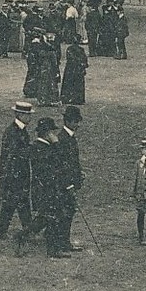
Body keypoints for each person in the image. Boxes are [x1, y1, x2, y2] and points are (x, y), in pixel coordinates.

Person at [20, 118, 68, 258]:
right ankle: (52, 250)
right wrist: (57, 144)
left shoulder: (41, 147)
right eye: (53, 131)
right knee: (52, 217)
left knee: (46, 218)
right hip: (45, 190)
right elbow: (59, 162)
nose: (54, 134)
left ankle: (23, 235)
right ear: (47, 133)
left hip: (45, 189)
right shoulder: (41, 148)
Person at [0, 101, 35, 238]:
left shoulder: (18, 130)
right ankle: (5, 231)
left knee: (16, 203)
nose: (29, 118)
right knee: (14, 203)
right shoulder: (13, 132)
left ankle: (24, 229)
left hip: (17, 174)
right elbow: (13, 155)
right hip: (14, 174)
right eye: (26, 115)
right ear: (19, 115)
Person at [52, 105, 84, 251]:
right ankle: (62, 243)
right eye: (76, 121)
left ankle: (65, 242)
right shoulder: (63, 139)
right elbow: (60, 165)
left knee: (69, 212)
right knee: (64, 213)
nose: (77, 125)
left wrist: (79, 174)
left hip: (70, 182)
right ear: (69, 121)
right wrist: (68, 183)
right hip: (64, 185)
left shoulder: (68, 137)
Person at [60, 40, 89, 105]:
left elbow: (70, 58)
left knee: (69, 83)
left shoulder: (69, 49)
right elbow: (85, 60)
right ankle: (78, 99)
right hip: (78, 68)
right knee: (78, 84)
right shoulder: (81, 49)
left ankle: (67, 98)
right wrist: (83, 65)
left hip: (70, 68)